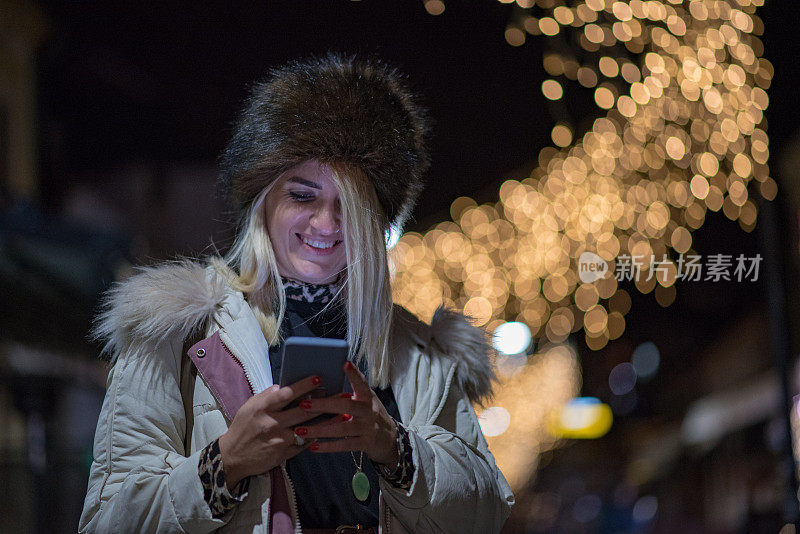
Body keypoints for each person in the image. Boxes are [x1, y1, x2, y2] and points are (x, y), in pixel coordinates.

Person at [79, 54, 514, 533]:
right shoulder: (174, 327)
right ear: (265, 203)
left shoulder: (419, 351)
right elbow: (108, 522)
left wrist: (395, 448)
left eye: (347, 205)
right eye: (302, 196)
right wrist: (224, 464)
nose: (325, 225)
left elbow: (489, 509)